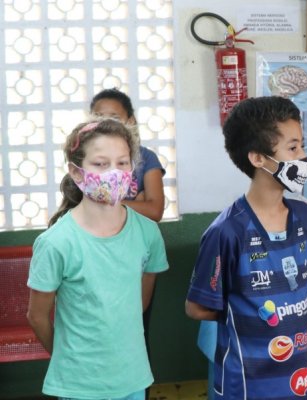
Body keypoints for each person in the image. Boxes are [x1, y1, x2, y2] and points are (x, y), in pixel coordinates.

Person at [184, 96, 307, 399]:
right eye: (292, 148)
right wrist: (247, 315)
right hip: (248, 387)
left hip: (301, 380)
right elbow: (196, 307)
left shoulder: (305, 217)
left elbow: (304, 290)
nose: (303, 157)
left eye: (302, 145)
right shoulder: (227, 232)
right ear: (258, 158)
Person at [26, 118, 169, 399]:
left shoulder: (148, 233)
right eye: (101, 164)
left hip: (133, 379)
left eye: (122, 163)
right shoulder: (56, 243)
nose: (113, 173)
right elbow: (37, 316)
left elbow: (137, 304)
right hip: (78, 384)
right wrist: (68, 359)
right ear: (77, 173)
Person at [90, 88, 165, 222]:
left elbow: (155, 211)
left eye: (115, 117)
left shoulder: (147, 157)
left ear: (130, 121)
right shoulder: (85, 158)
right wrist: (139, 203)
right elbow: (85, 209)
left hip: (136, 235)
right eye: (98, 117)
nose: (106, 123)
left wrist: (105, 202)